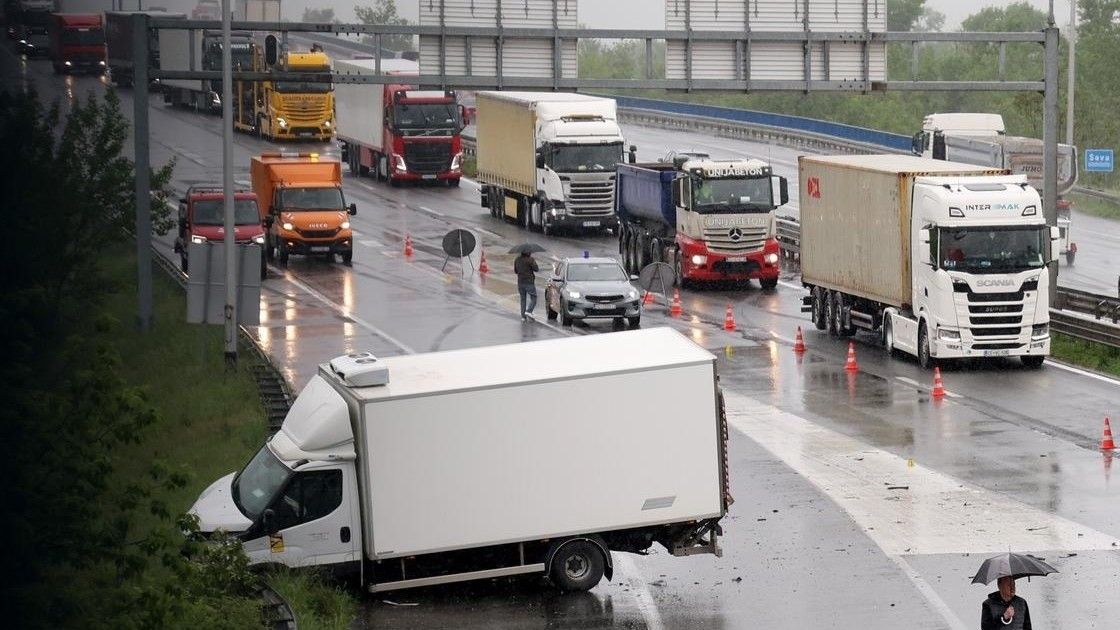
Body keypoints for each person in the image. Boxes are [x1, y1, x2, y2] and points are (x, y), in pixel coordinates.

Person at [514, 250, 539, 321]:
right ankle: (529, 311)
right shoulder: (530, 259)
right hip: (529, 282)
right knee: (534, 297)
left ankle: (523, 317)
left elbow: (516, 271)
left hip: (520, 282)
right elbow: (536, 269)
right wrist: (533, 263)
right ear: (528, 252)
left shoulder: (517, 259)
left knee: (523, 299)